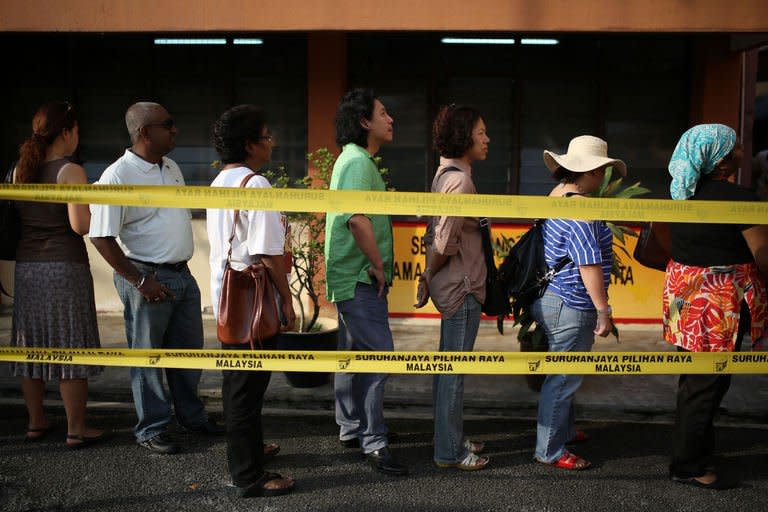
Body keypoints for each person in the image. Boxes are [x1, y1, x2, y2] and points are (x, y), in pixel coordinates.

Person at [89, 101, 222, 455]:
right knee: (148, 359)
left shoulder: (171, 166)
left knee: (188, 356)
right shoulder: (116, 176)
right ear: (144, 132)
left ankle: (191, 418)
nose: (175, 130)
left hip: (182, 276)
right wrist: (138, 281)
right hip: (146, 278)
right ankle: (151, 428)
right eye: (169, 124)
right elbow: (100, 235)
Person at [665, 124, 768, 489]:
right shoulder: (739, 199)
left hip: (683, 300)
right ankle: (688, 465)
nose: (742, 149)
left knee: (695, 381)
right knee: (706, 384)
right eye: (736, 145)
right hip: (717, 306)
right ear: (723, 158)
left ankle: (697, 448)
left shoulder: (680, 195)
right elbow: (764, 257)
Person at [206, 104, 296, 497]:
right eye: (266, 136)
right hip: (254, 302)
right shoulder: (255, 186)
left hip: (229, 299)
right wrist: (288, 299)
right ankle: (248, 476)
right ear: (249, 145)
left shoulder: (220, 182)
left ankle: (250, 452)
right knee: (245, 388)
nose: (271, 142)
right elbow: (267, 253)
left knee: (240, 385)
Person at [10, 101, 104, 448]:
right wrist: (94, 207)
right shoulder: (70, 171)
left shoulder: (20, 168)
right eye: (77, 130)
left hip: (28, 269)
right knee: (71, 343)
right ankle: (76, 428)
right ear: (66, 132)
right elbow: (79, 226)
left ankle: (36, 422)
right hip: (65, 268)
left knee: (31, 344)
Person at [324, 88, 407, 476]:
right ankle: (374, 442)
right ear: (364, 122)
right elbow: (357, 219)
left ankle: (351, 427)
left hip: (350, 276)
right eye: (384, 112)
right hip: (359, 276)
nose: (390, 120)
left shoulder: (354, 160)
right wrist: (377, 264)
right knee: (379, 356)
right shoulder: (357, 162)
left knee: (354, 355)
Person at [532, 135, 623, 470]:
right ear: (594, 172)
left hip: (550, 296)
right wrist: (603, 311)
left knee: (562, 371)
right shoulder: (583, 208)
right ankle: (550, 449)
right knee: (563, 377)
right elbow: (589, 265)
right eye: (603, 170)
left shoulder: (557, 195)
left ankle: (564, 429)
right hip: (572, 302)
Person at [414, 104, 490, 470]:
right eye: (480, 133)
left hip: (454, 286)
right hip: (463, 288)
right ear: (464, 137)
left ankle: (451, 437)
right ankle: (449, 451)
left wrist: (430, 276)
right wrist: (428, 274)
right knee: (453, 372)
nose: (487, 139)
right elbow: (444, 242)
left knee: (447, 369)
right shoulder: (460, 180)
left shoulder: (445, 173)